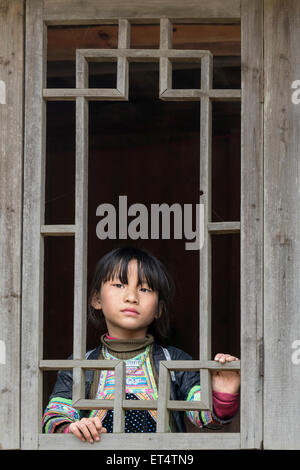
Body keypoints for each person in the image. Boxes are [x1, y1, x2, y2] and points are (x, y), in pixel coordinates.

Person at [42, 245, 240, 443]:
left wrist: (223, 394)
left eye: (144, 289)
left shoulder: (175, 361)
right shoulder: (82, 364)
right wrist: (73, 428)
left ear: (158, 309)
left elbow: (204, 418)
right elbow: (54, 418)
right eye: (119, 285)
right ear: (96, 299)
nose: (131, 297)